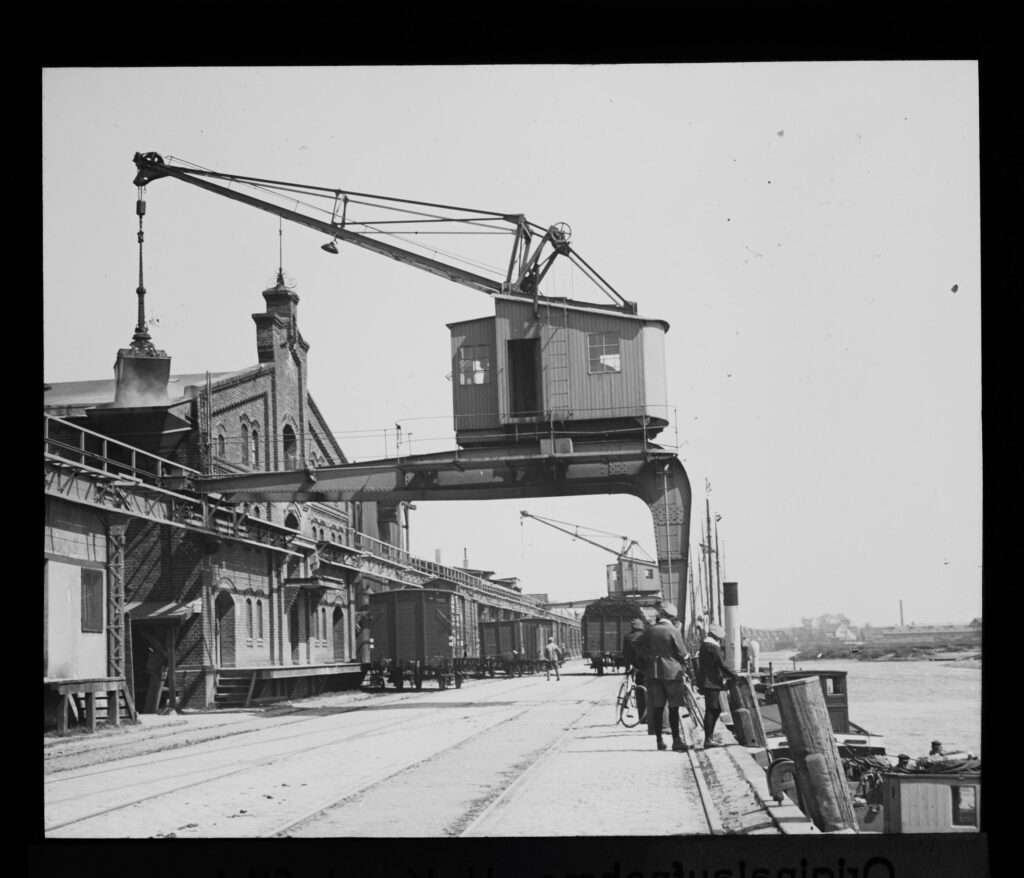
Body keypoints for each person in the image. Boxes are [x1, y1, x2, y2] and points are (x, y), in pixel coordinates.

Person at [637, 602, 690, 752]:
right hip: (672, 673)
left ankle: (659, 740)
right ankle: (676, 741)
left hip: (654, 672)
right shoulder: (673, 631)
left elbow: (637, 643)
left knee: (658, 707)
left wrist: (649, 657)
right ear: (672, 617)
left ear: (661, 614)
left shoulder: (651, 630)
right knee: (673, 708)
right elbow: (682, 653)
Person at [696, 623, 736, 748]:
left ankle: (710, 737)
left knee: (716, 709)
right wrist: (733, 674)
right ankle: (708, 739)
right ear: (717, 636)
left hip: (707, 680)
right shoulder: (713, 646)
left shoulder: (705, 645)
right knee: (711, 709)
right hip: (711, 682)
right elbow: (721, 664)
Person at [621, 618, 648, 724]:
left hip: (637, 669)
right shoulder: (647, 635)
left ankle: (642, 717)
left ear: (632, 627)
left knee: (639, 693)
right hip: (648, 668)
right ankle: (651, 717)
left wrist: (628, 668)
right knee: (651, 693)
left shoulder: (628, 637)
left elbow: (626, 655)